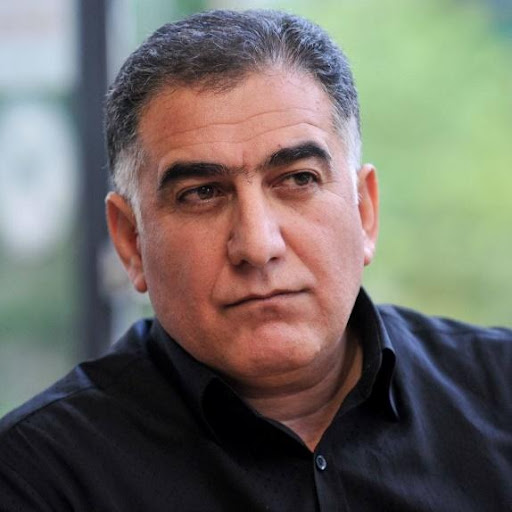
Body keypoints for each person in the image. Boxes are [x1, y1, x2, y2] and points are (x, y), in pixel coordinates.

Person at [0, 9, 510, 511]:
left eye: (298, 179)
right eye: (202, 193)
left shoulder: (500, 393)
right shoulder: (38, 475)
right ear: (131, 241)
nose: (258, 246)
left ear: (365, 211)